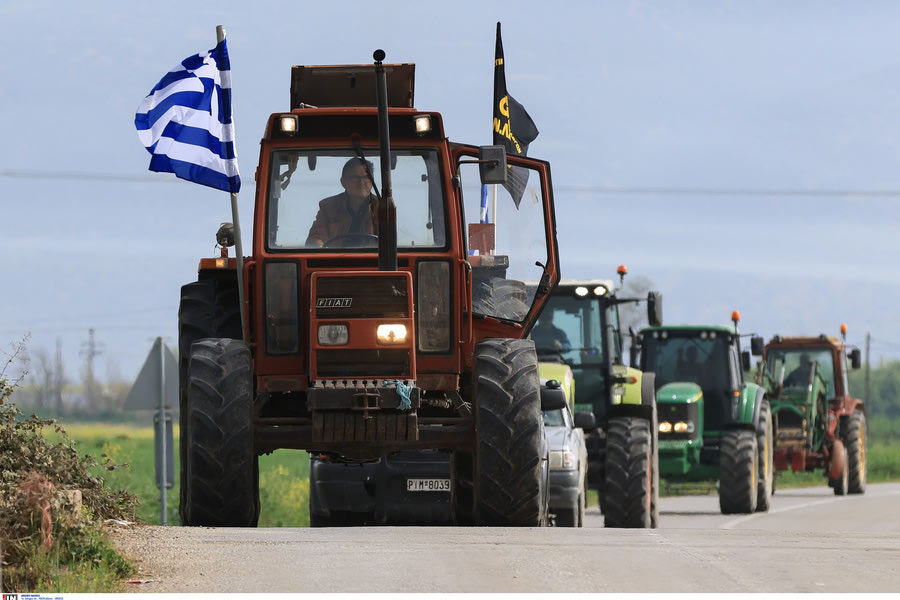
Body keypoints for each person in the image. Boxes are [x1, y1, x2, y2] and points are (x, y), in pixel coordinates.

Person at [305, 158, 378, 247]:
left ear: (372, 181)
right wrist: (322, 251)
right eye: (355, 177)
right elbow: (315, 239)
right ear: (343, 182)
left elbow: (390, 242)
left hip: (373, 260)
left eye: (366, 177)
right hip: (334, 259)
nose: (361, 182)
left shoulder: (383, 208)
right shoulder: (328, 207)